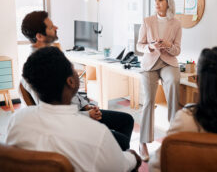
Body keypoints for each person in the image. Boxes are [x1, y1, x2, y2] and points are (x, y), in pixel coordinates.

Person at [6, 47, 141, 172]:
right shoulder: (98, 134)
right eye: (73, 69)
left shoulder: (17, 120)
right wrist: (132, 157)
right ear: (70, 82)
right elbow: (121, 166)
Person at [20, 11, 134, 151]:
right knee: (122, 142)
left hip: (80, 111)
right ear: (39, 36)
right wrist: (87, 115)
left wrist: (87, 106)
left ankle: (112, 155)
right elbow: (52, 113)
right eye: (50, 27)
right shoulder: (35, 71)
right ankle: (113, 156)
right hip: (72, 122)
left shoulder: (53, 54)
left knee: (127, 120)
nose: (56, 27)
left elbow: (71, 92)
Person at [136, 0, 182, 161]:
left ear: (168, 2)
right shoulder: (147, 21)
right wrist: (150, 46)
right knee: (148, 101)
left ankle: (173, 137)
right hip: (150, 63)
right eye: (155, 0)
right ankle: (143, 143)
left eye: (160, 0)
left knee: (173, 83)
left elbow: (177, 50)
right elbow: (139, 45)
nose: (157, 3)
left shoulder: (176, 24)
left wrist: (169, 45)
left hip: (168, 62)